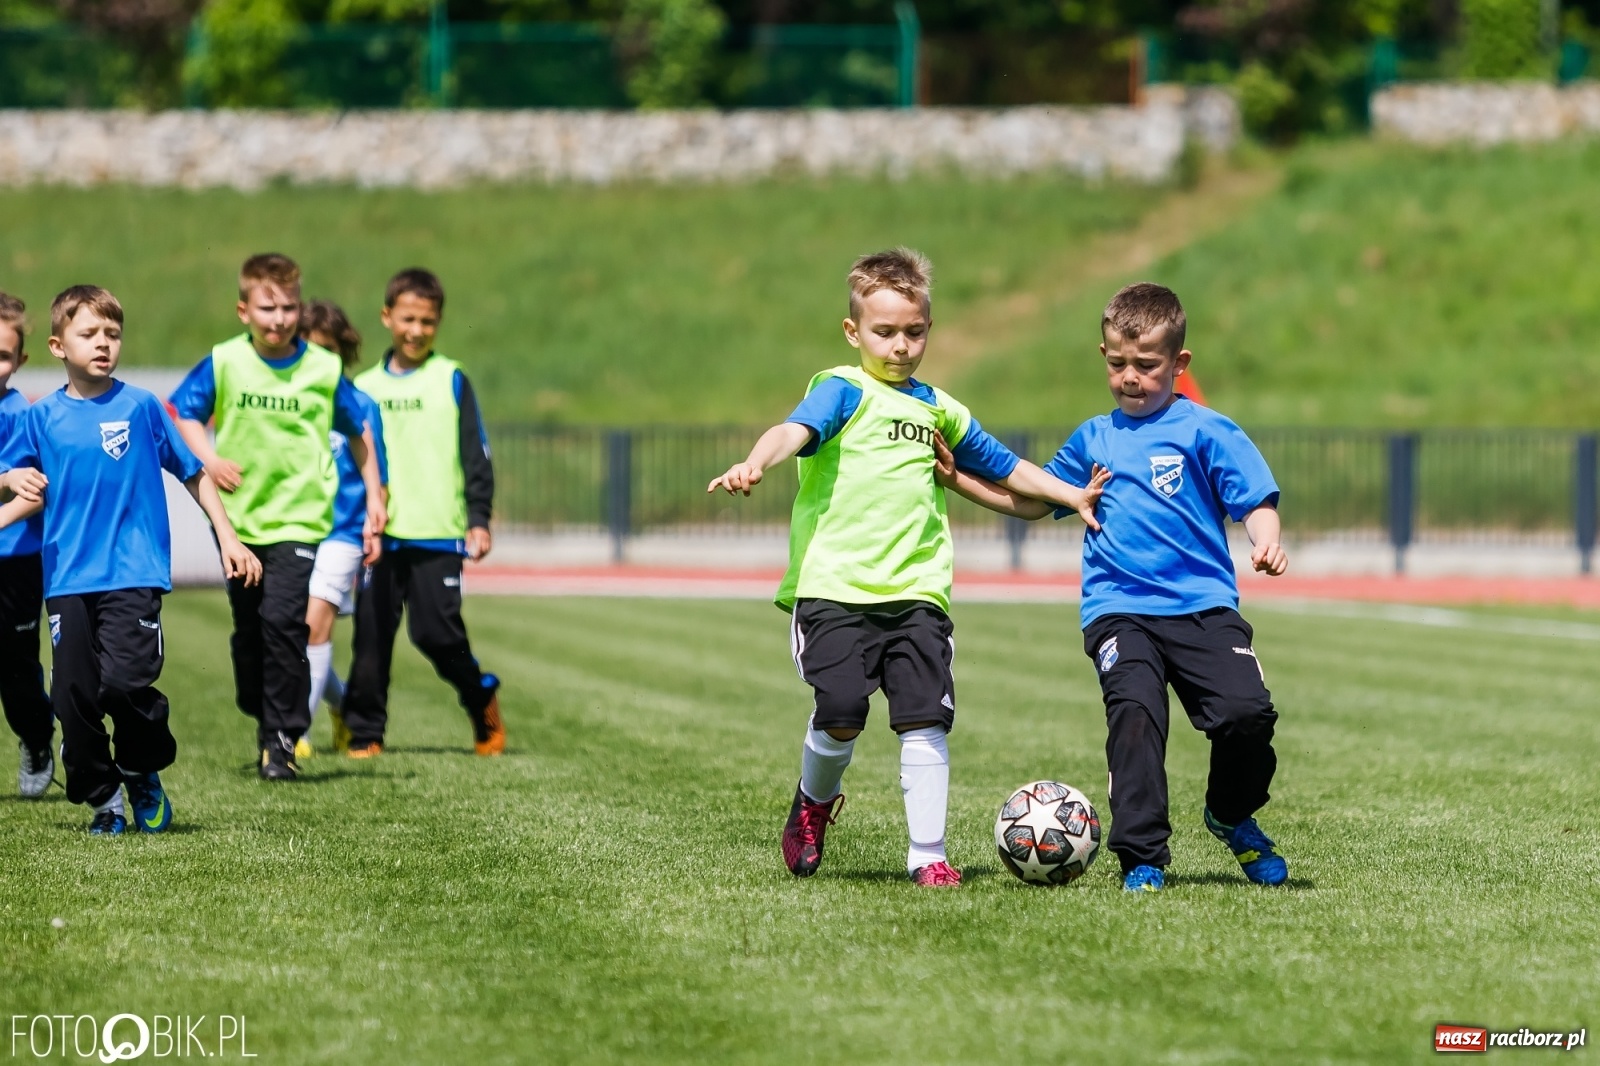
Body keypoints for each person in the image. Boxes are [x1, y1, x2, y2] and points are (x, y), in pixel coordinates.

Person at [707, 248, 1108, 887]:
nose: (900, 346)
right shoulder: (842, 390)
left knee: (925, 717)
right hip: (834, 588)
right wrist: (756, 463)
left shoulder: (937, 408)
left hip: (918, 590)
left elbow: (1006, 467)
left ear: (928, 329)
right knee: (841, 710)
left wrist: (1069, 495)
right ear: (854, 332)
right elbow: (792, 431)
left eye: (913, 332)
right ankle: (811, 805)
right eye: (884, 332)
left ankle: (929, 856)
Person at [938, 282, 1289, 893]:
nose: (1130, 377)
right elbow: (1033, 500)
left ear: (1178, 364)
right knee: (1135, 717)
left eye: (1146, 365)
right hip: (1118, 611)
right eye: (1117, 363)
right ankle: (1143, 857)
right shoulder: (1092, 440)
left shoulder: (1208, 431)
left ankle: (1231, 813)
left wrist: (1267, 537)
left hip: (1204, 607)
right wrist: (958, 481)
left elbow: (1254, 499)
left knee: (1247, 715)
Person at [0, 285, 259, 834]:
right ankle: (104, 801)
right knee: (73, 696)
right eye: (88, 334)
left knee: (123, 685)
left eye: (112, 334)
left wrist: (229, 537)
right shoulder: (38, 419)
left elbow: (192, 471)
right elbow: (29, 492)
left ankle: (141, 768)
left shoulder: (142, 407)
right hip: (68, 578)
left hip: (133, 573)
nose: (103, 344)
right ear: (56, 345)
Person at [170, 254, 384, 781]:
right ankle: (265, 714)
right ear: (244, 310)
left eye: (289, 307)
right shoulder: (224, 361)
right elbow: (183, 413)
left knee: (285, 623)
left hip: (301, 520)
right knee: (250, 633)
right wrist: (210, 459)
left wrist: (376, 496)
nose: (280, 318)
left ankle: (282, 740)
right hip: (239, 524)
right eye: (268, 308)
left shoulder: (323, 368)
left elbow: (360, 431)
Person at [342, 268, 501, 758]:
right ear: (387, 316)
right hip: (379, 534)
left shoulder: (451, 379)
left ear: (438, 323)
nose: (416, 330)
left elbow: (476, 452)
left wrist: (479, 517)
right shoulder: (361, 387)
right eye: (408, 318)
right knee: (371, 637)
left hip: (438, 531)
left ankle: (480, 696)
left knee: (436, 634)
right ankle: (366, 733)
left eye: (427, 321)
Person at [296, 300, 387, 758]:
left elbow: (377, 471)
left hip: (343, 532)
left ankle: (292, 736)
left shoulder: (360, 404)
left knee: (315, 627)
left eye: (328, 351)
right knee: (295, 631)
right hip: (293, 529)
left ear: (343, 352)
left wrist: (374, 522)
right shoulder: (292, 402)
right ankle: (345, 705)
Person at [0, 293, 54, 798]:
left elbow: (35, 491)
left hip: (14, 560)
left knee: (15, 670)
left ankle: (37, 737)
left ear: (20, 361)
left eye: (2, 355)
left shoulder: (24, 416)